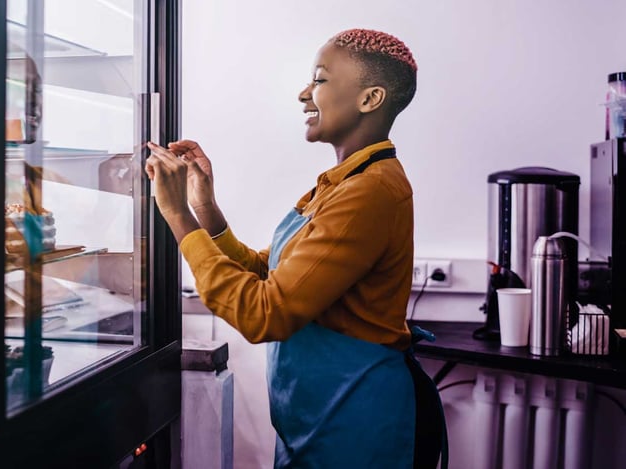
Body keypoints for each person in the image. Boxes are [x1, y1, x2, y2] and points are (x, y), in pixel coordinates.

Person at [146, 28, 446, 469]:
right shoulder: (339, 184)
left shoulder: (371, 192)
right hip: (316, 424)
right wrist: (203, 206)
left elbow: (265, 312)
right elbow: (268, 272)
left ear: (370, 98)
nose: (304, 94)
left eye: (320, 80)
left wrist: (177, 217)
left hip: (355, 431)